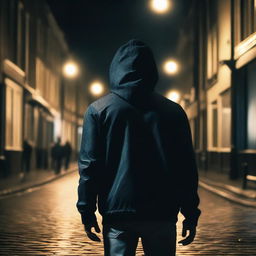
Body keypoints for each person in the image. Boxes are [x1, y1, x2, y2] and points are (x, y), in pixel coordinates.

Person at [77, 39, 201, 256]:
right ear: (152, 70)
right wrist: (190, 212)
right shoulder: (173, 112)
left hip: (118, 213)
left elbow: (90, 166)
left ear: (115, 69)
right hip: (161, 211)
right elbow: (185, 167)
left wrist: (87, 210)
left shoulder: (98, 111)